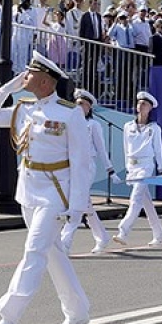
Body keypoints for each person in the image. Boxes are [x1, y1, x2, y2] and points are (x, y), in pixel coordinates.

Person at [0, 51, 92, 324]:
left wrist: (77, 208)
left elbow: (82, 162)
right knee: (52, 253)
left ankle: (8, 319)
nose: (24, 77)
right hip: (29, 189)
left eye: (28, 74)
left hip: (55, 192)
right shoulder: (24, 108)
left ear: (44, 81)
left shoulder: (69, 113)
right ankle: (78, 310)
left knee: (34, 251)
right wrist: (6, 89)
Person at [60, 89, 120, 254]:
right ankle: (102, 236)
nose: (78, 107)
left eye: (82, 104)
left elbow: (101, 149)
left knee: (77, 203)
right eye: (77, 104)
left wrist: (110, 170)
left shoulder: (93, 125)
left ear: (89, 108)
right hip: (72, 165)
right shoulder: (69, 123)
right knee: (85, 204)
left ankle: (65, 241)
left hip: (87, 166)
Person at [113, 91, 162, 247]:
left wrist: (161, 168)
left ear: (150, 108)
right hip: (133, 165)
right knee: (146, 202)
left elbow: (158, 149)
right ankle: (159, 232)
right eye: (139, 103)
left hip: (146, 165)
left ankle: (123, 230)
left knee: (135, 199)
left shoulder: (154, 128)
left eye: (145, 104)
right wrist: (128, 168)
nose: (141, 106)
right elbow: (126, 148)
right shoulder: (128, 126)